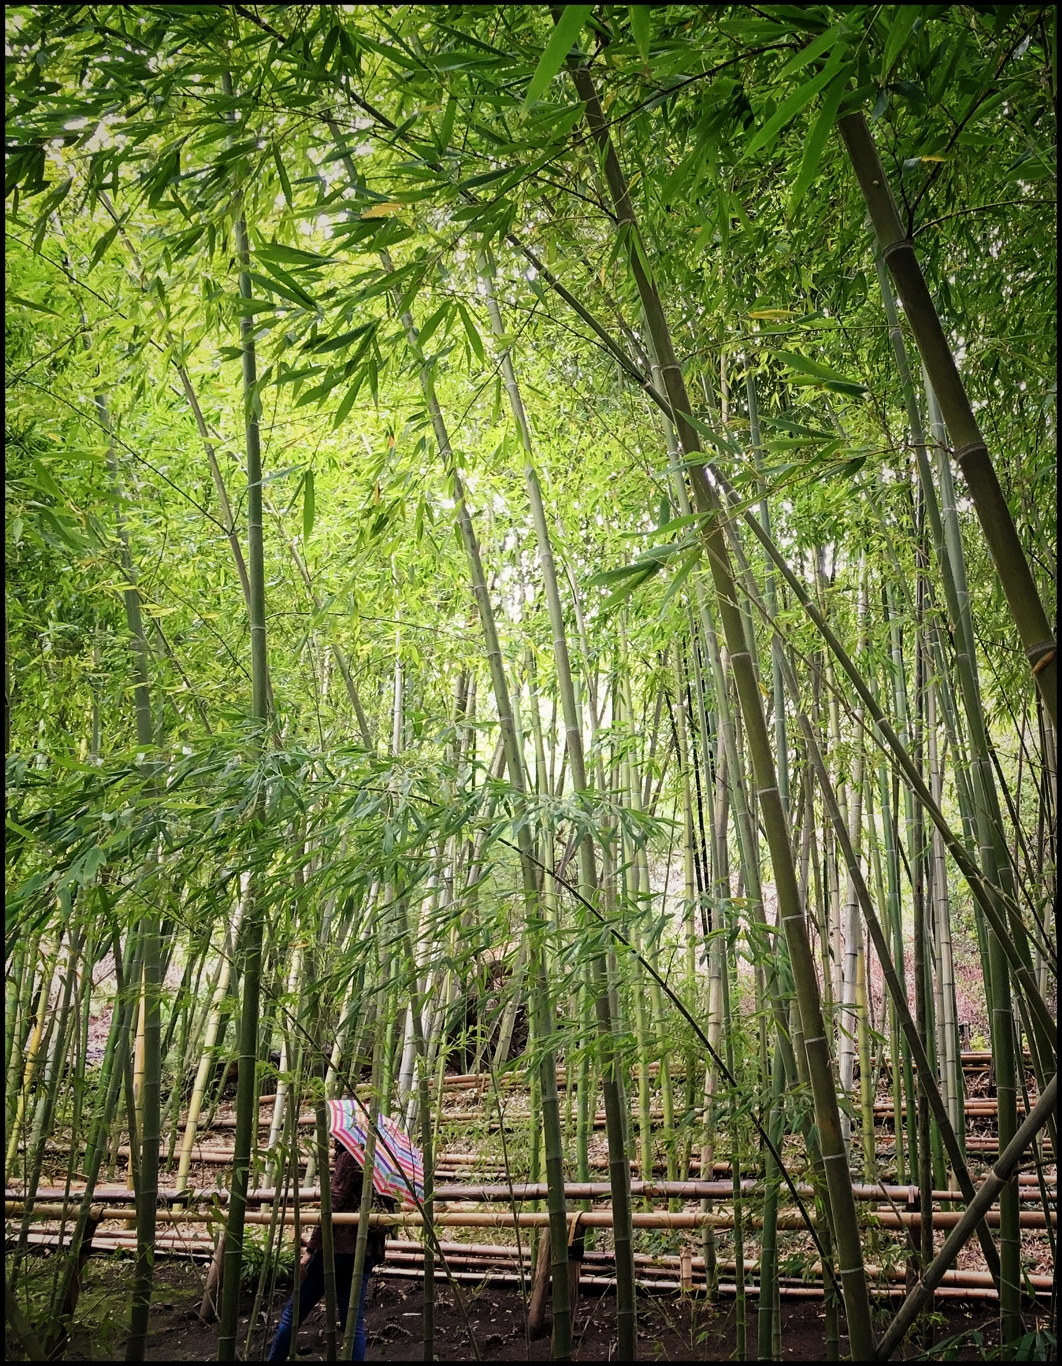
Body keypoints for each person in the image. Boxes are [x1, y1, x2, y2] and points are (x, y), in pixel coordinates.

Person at [267, 1143, 389, 1362]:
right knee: (352, 1324)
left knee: (292, 1316)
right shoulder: (382, 1161)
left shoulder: (351, 1157)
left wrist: (311, 1249)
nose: (332, 1142)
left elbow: (332, 1204)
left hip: (335, 1250)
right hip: (364, 1252)